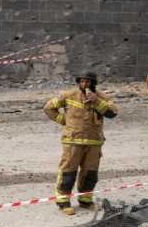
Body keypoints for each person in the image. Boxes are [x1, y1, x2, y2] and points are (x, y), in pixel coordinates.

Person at [44, 72, 118, 216]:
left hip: (94, 142)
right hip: (73, 141)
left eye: (88, 82)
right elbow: (48, 108)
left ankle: (85, 200)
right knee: (68, 172)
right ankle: (63, 202)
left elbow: (113, 113)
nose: (84, 84)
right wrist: (64, 121)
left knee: (90, 173)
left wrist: (96, 101)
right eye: (82, 81)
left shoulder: (102, 97)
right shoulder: (69, 95)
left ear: (93, 83)